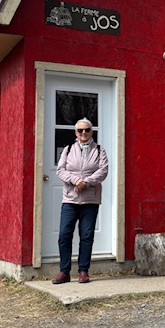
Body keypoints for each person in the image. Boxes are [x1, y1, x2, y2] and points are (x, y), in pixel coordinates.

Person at [52, 118, 109, 284]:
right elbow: (60, 170)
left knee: (86, 236)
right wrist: (76, 180)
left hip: (90, 201)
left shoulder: (99, 150)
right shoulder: (68, 149)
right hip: (70, 200)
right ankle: (64, 272)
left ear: (91, 132)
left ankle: (83, 271)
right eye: (80, 130)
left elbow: (103, 170)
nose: (83, 133)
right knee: (64, 235)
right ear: (76, 133)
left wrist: (87, 182)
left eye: (87, 130)